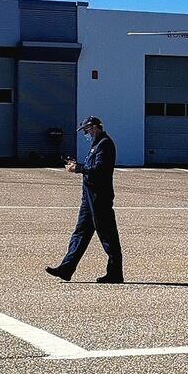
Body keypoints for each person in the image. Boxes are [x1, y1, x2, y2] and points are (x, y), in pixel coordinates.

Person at [46, 116, 123, 283]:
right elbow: (92, 167)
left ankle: (115, 272)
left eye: (86, 130)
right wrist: (78, 165)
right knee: (80, 233)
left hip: (99, 197)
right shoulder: (96, 144)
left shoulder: (105, 144)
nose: (86, 134)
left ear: (94, 127)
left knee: (107, 235)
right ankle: (66, 268)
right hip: (89, 198)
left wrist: (77, 168)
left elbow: (99, 169)